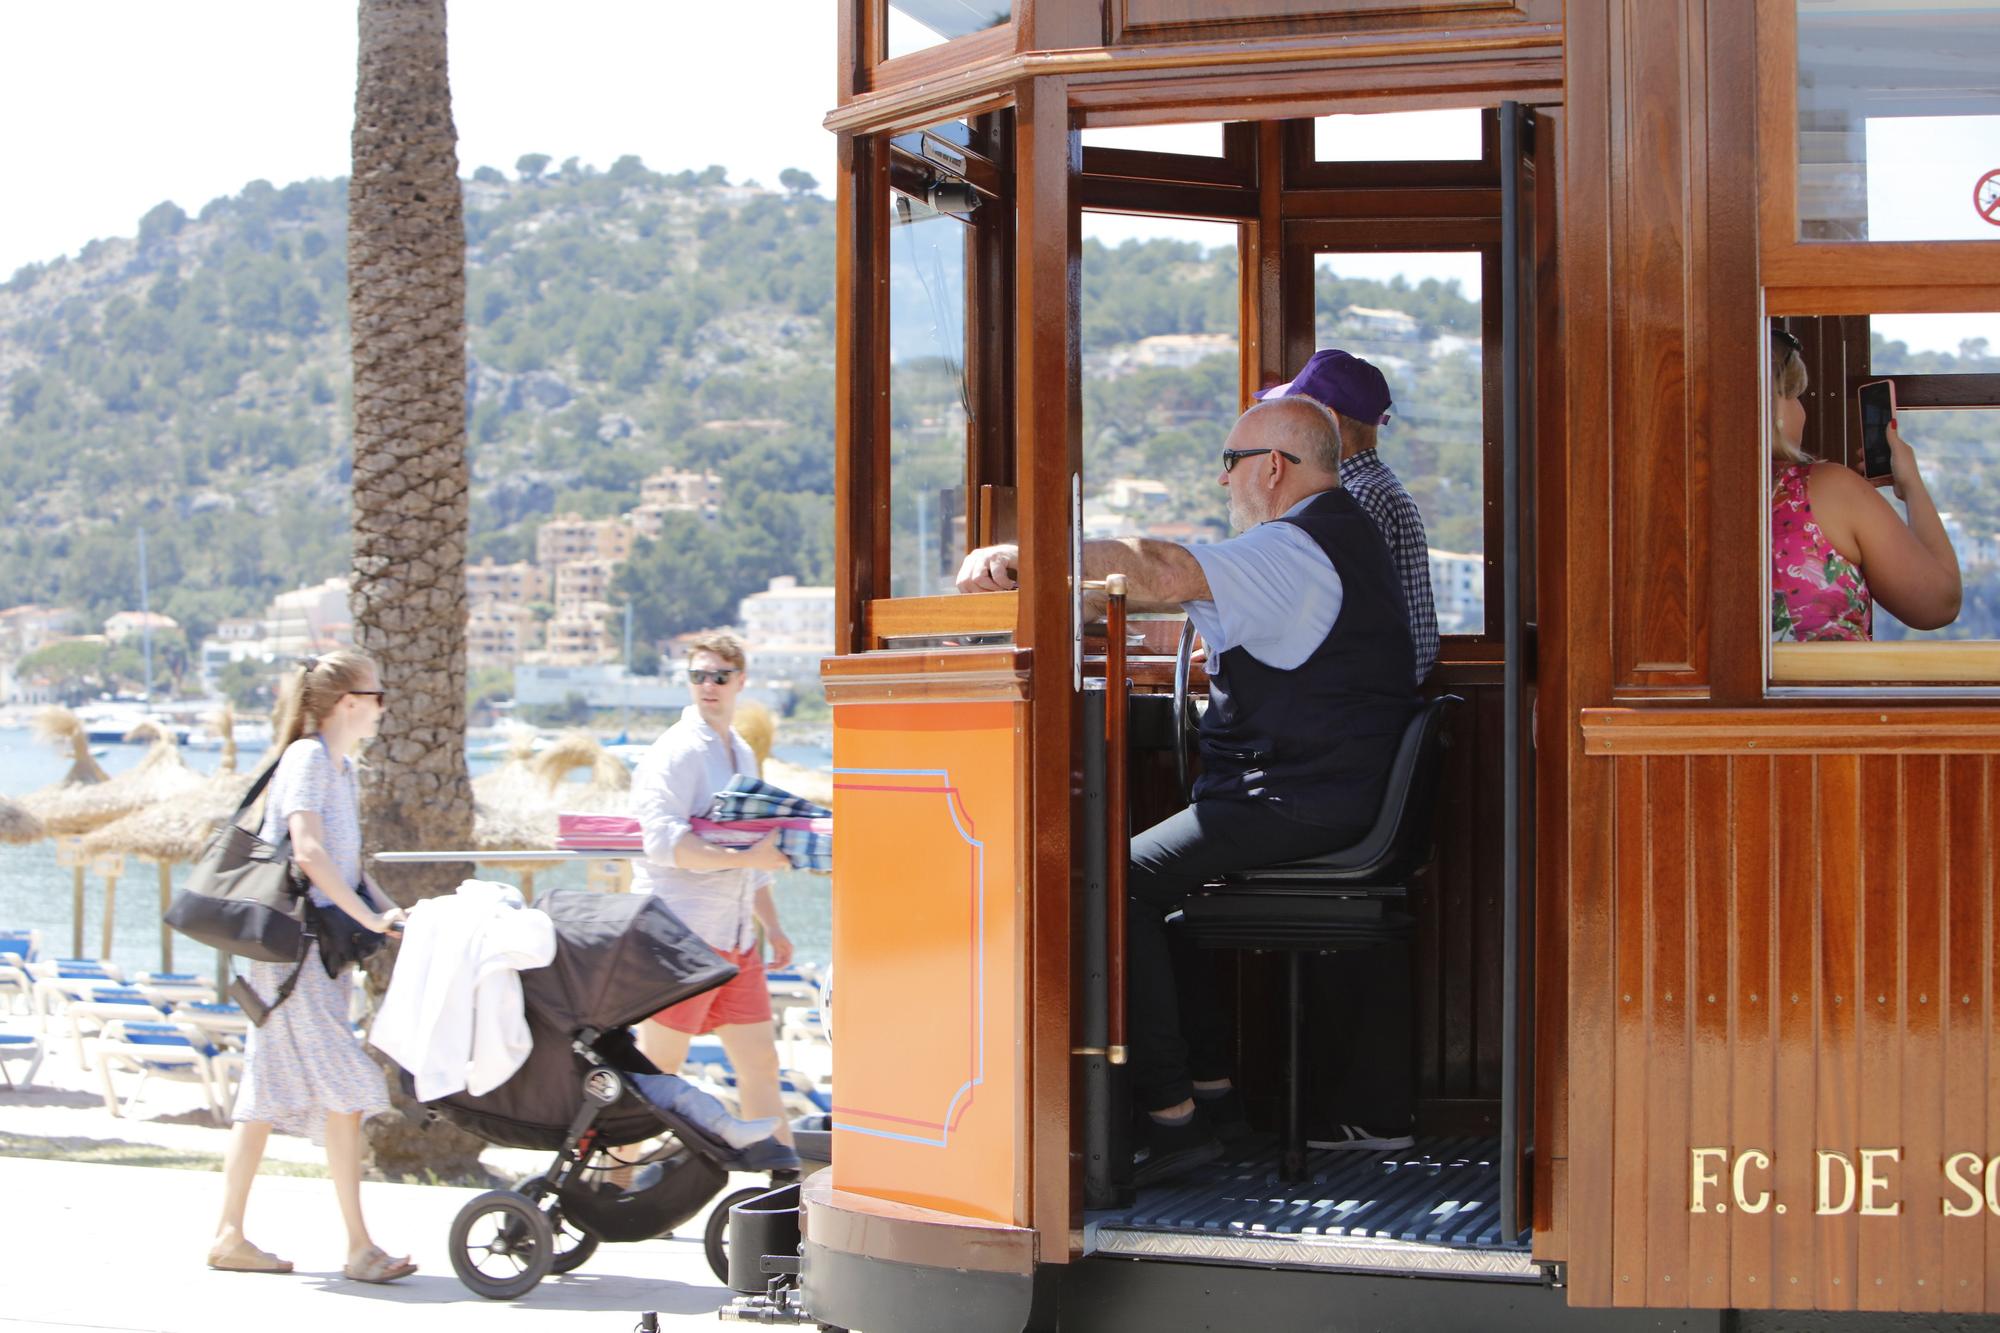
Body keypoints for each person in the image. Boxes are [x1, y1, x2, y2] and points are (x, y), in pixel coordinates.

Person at [958, 395, 1419, 1185]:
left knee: (1113, 882)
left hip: (1298, 800)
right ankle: (1215, 1094)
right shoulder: (1333, 539)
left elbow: (1162, 568)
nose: (1222, 480)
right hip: (1328, 790)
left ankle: (1171, 1119)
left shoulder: (1293, 549)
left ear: (1272, 467)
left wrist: (1022, 557)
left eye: (1231, 462)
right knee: (1160, 895)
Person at [210, 648, 413, 1282]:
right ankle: (358, 1247)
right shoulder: (306, 760)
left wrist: (392, 911)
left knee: (263, 1096)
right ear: (348, 704)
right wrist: (367, 916)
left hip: (316, 955)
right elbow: (309, 851)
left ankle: (227, 1236)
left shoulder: (340, 768)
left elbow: (347, 868)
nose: (383, 707)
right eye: (378, 695)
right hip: (295, 955)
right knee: (349, 1089)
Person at [630, 631, 798, 1152]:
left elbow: (756, 850)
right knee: (657, 1071)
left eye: (719, 676)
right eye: (698, 676)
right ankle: (612, 1179)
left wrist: (772, 925)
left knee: (761, 1065)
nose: (708, 686)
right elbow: (660, 841)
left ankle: (784, 1189)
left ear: (740, 682)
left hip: (737, 940)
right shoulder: (676, 751)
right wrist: (747, 859)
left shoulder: (743, 754)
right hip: (679, 940)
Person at [1770, 325, 1960, 640]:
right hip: (1823, 690)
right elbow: (1938, 604)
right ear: (1774, 406)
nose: (1801, 411)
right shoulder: (1826, 488)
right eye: (1795, 396)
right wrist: (1911, 486)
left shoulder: (1674, 497)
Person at [1261, 348, 1439, 683]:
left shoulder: (1356, 497)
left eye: (1294, 416)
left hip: (1366, 701)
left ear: (1328, 420)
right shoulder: (1377, 485)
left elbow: (1319, 610)